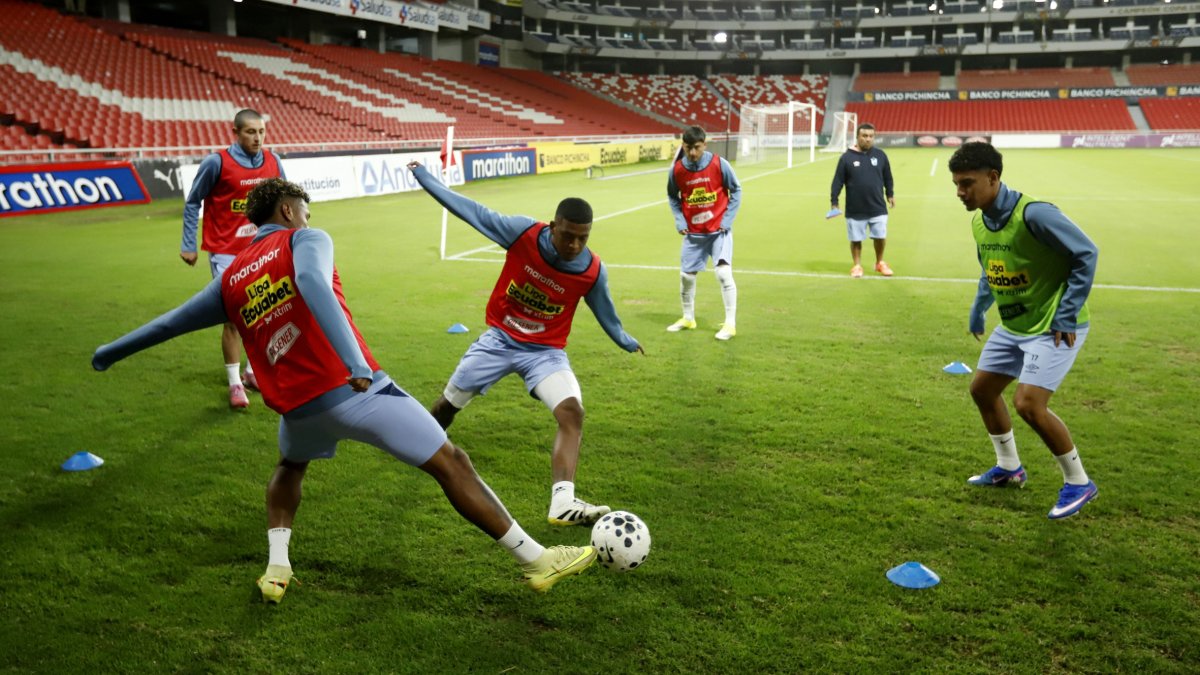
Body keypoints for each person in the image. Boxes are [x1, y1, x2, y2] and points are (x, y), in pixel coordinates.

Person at [94, 178, 596, 603]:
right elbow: (312, 282)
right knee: (451, 462)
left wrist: (111, 352)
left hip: (297, 411)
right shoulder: (303, 240)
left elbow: (166, 326)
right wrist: (355, 361)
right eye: (305, 211)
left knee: (290, 466)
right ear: (289, 210)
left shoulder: (230, 280)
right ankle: (537, 561)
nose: (308, 218)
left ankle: (277, 567)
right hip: (356, 391)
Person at [407, 161, 643, 527]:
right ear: (553, 226)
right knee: (449, 405)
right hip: (499, 340)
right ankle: (417, 445)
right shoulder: (522, 234)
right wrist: (425, 178)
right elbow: (473, 212)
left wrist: (625, 340)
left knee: (572, 413)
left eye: (583, 237)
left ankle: (563, 502)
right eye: (568, 235)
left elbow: (605, 312)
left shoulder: (592, 270)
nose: (575, 244)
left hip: (545, 354)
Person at [949, 141, 1099, 520]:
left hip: (1055, 327)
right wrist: (978, 308)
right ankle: (1009, 468)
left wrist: (1066, 314)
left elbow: (1086, 253)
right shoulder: (979, 221)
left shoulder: (1035, 214)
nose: (960, 193)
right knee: (982, 390)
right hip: (1014, 325)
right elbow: (991, 269)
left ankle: (1079, 482)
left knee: (1029, 404)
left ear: (993, 178)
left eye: (967, 183)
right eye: (957, 184)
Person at [181, 109, 285, 409]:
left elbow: (285, 201)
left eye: (261, 132)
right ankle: (235, 384)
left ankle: (253, 372)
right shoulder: (217, 163)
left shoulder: (273, 162)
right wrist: (189, 244)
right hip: (225, 252)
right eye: (251, 132)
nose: (258, 138)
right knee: (234, 318)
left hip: (261, 249)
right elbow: (192, 202)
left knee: (264, 311)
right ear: (235, 132)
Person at [665, 126, 742, 341]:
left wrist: (727, 220)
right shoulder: (677, 170)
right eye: (688, 148)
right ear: (683, 145)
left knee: (723, 273)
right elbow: (672, 196)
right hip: (694, 234)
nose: (692, 153)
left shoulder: (719, 164)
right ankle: (688, 318)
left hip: (719, 231)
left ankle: (730, 324)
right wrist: (680, 220)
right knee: (686, 277)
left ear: (704, 144)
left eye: (696, 148)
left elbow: (736, 190)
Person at [829, 123, 895, 278]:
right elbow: (837, 181)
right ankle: (857, 265)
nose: (868, 139)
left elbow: (888, 177)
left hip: (877, 206)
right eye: (864, 136)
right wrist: (834, 202)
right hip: (855, 208)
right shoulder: (846, 158)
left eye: (871, 136)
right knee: (856, 239)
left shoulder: (880, 155)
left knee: (880, 237)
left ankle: (879, 263)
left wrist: (890, 194)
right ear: (858, 137)